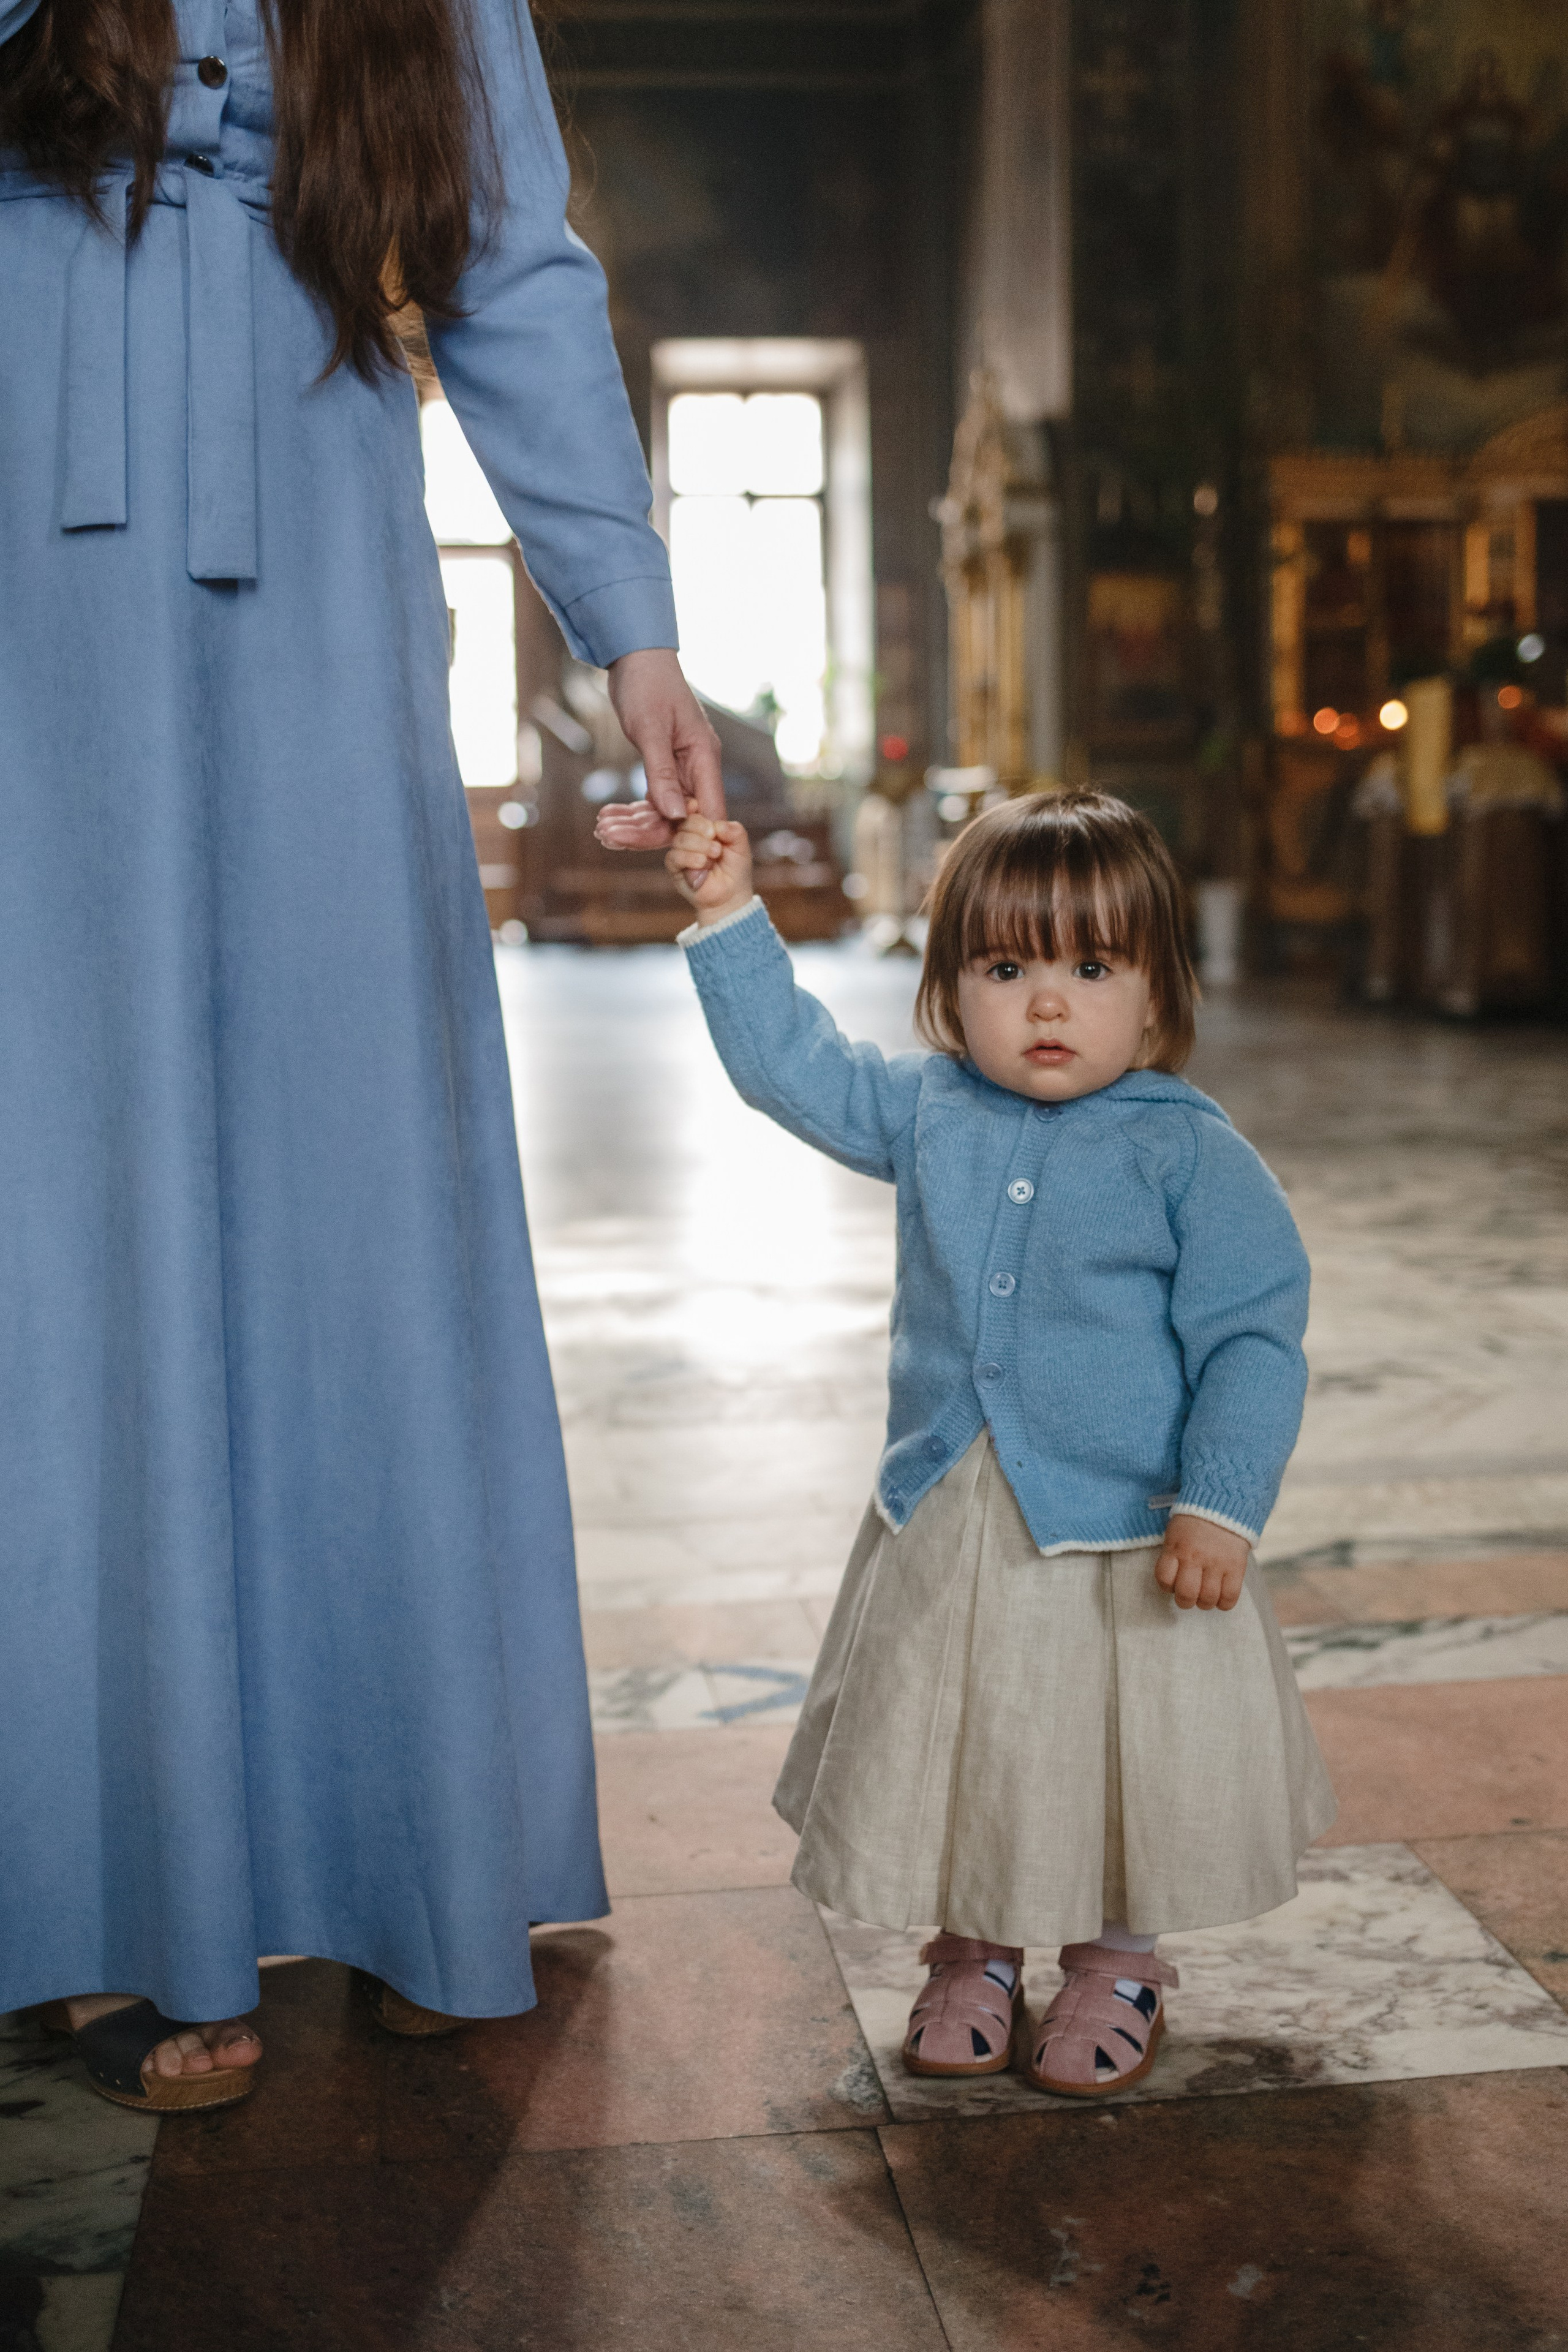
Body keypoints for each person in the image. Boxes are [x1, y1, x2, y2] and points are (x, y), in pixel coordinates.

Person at [0, 0, 720, 2111]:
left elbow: (511, 260)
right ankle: (122, 1887)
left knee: (364, 1177)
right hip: (26, 539)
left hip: (316, 522)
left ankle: (423, 1856)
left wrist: (632, 624)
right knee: (64, 1192)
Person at [655, 789, 1335, 2094]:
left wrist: (1221, 1500)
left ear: (1156, 992)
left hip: (1123, 1532)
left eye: (1093, 969)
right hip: (955, 1512)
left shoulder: (1191, 1155)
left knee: (1112, 1754)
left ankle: (1116, 1960)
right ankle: (970, 1948)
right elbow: (788, 1066)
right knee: (967, 1736)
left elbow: (1254, 1338)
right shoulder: (926, 1112)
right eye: (1006, 969)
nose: (1045, 1004)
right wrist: (728, 912)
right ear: (947, 987)